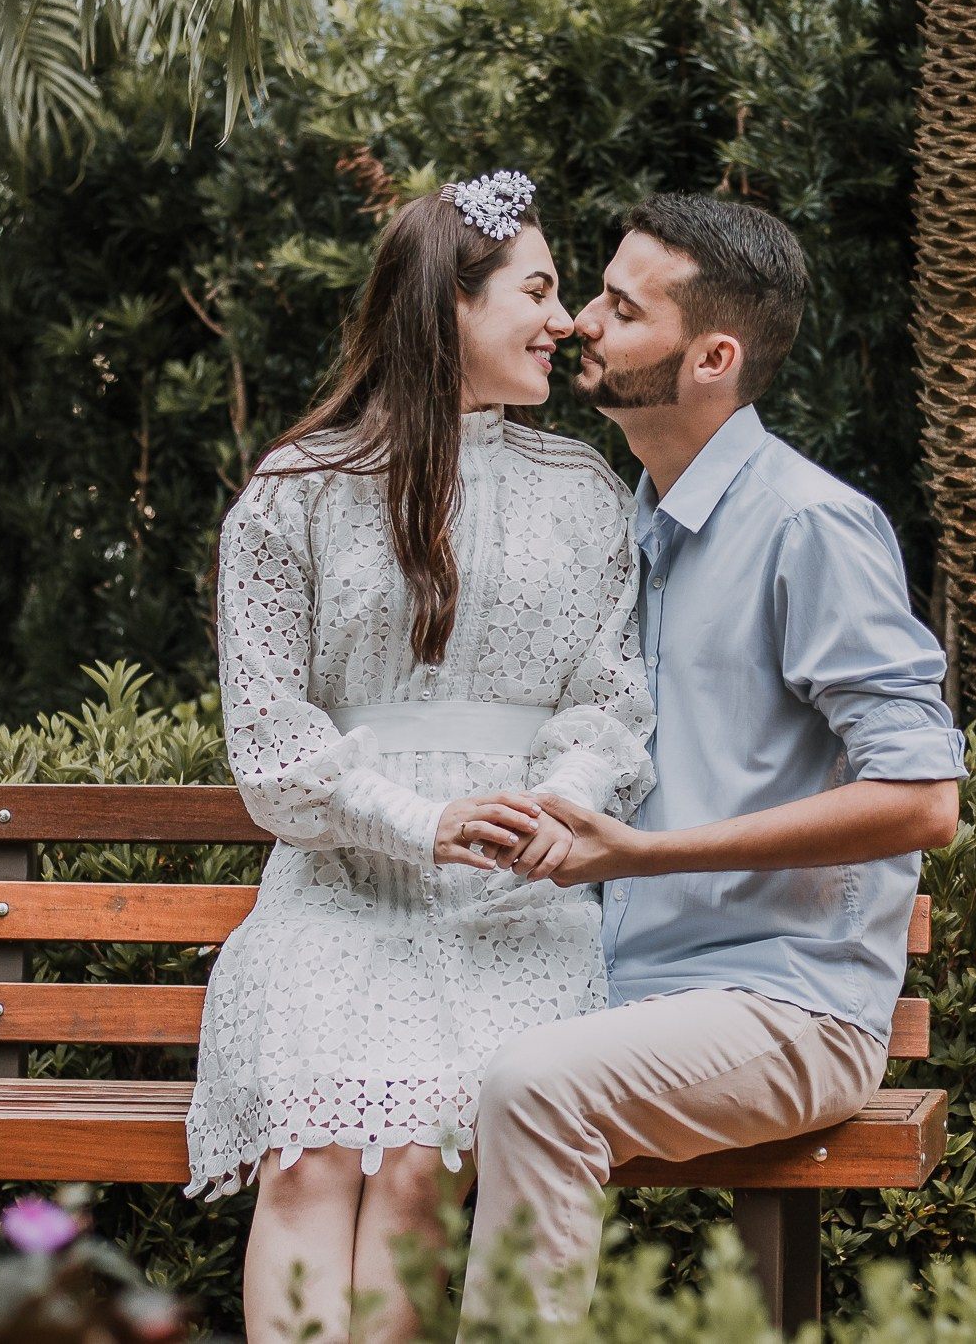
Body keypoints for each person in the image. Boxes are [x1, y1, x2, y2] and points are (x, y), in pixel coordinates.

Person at [461, 193, 965, 1319]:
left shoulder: (805, 526)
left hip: (788, 1007)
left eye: (620, 308)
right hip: (630, 988)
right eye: (591, 293)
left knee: (534, 1089)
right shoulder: (633, 519)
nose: (580, 321)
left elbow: (924, 801)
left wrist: (639, 854)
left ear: (711, 357)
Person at [185, 171, 655, 1344]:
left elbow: (609, 705)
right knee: (306, 1167)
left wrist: (557, 807)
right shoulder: (292, 494)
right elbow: (269, 738)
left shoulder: (585, 494)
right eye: (539, 290)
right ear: (449, 302)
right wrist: (415, 821)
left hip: (511, 907)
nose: (566, 322)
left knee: (409, 1172)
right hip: (333, 899)